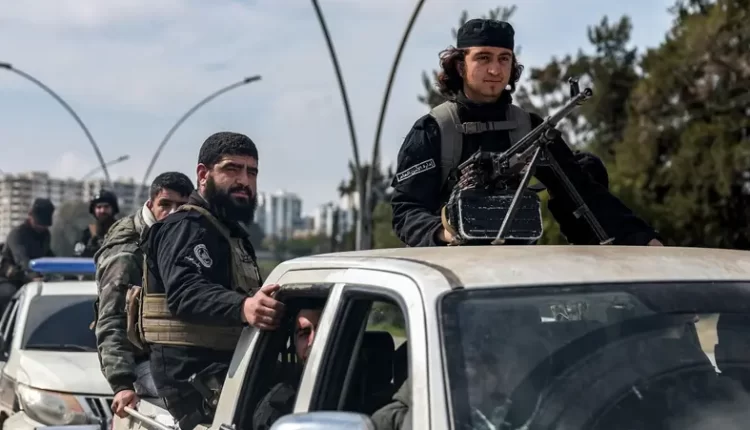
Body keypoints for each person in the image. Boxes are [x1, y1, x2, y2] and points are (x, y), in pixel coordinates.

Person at [390, 18, 663, 247]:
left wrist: (644, 240)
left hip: (518, 263)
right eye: (483, 58)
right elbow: (406, 211)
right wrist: (446, 232)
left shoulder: (528, 128)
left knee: (587, 168)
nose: (495, 69)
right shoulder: (434, 130)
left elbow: (582, 192)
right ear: (461, 66)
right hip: (453, 267)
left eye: (504, 59)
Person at [140, 132, 284, 428]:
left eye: (252, 172)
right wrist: (244, 307)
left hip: (228, 369)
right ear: (203, 175)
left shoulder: (229, 234)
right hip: (195, 384)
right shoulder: (186, 227)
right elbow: (184, 291)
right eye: (232, 169)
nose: (244, 180)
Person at [93, 171, 194, 418]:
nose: (172, 212)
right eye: (165, 204)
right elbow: (111, 319)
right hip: (144, 363)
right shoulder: (127, 255)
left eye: (181, 206)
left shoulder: (184, 236)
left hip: (177, 354)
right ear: (150, 205)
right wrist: (122, 384)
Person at [253, 307, 323, 429]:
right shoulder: (280, 406)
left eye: (322, 331)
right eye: (304, 334)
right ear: (294, 343)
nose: (312, 342)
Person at [0, 198, 55, 312]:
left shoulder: (45, 235)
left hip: (36, 276)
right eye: (39, 224)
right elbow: (21, 259)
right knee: (9, 294)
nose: (41, 227)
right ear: (30, 216)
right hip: (11, 277)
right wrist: (32, 276)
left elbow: (48, 255)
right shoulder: (17, 234)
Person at [75, 190, 119, 257]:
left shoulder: (122, 231)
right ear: (94, 210)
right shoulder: (87, 234)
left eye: (106, 207)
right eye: (99, 207)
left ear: (113, 209)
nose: (102, 210)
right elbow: (77, 258)